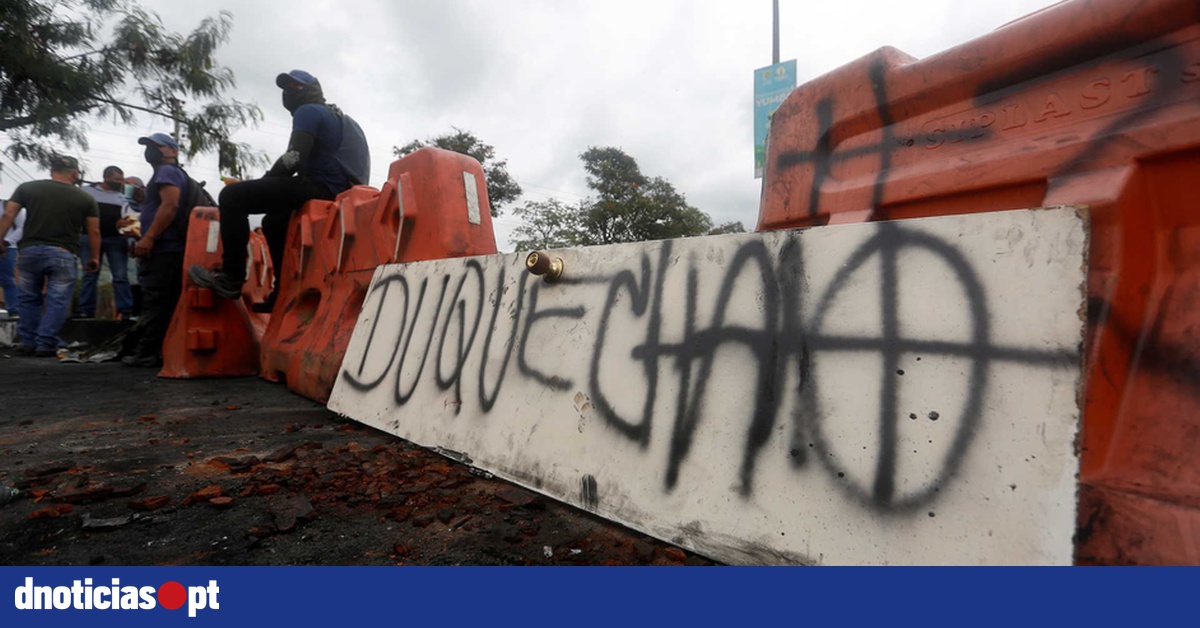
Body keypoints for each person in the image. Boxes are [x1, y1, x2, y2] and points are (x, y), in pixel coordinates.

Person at [189, 69, 370, 311]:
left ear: (313, 90)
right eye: (286, 88)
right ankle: (281, 294)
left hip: (323, 187)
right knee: (274, 222)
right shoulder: (341, 118)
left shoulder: (309, 110)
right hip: (343, 190)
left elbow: (293, 158)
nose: (288, 92)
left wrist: (263, 181)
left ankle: (231, 277)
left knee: (232, 196)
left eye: (296, 87)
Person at [0, 156, 100, 357]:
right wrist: (95, 257)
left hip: (29, 251)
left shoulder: (27, 188)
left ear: (51, 170)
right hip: (63, 253)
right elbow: (94, 231)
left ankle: (28, 341)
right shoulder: (85, 198)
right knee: (58, 300)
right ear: (74, 173)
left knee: (28, 298)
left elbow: (8, 215)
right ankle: (46, 343)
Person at [122, 133, 186, 368]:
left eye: (157, 146)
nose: (151, 150)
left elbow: (170, 206)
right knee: (163, 301)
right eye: (149, 146)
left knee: (156, 301)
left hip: (164, 249)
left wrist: (148, 238)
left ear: (173, 151)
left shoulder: (166, 172)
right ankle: (157, 350)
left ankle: (147, 352)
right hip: (167, 248)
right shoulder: (169, 173)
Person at [77, 165, 134, 319]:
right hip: (89, 237)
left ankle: (125, 310)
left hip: (115, 239)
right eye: (116, 179)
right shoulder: (87, 192)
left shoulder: (123, 198)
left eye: (121, 180)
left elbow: (129, 219)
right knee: (90, 274)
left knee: (120, 276)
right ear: (106, 177)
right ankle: (85, 310)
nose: (119, 182)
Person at [0, 205, 24, 316]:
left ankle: (14, 308)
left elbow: (22, 227)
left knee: (7, 279)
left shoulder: (9, 204)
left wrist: (7, 242)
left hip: (7, 247)